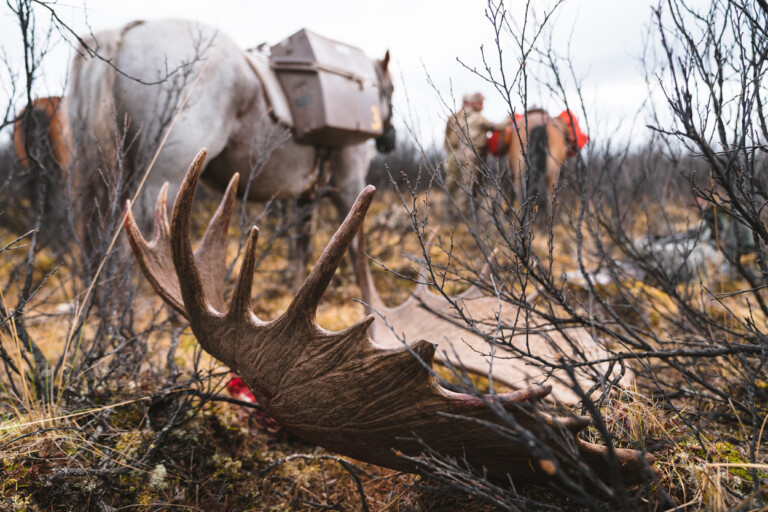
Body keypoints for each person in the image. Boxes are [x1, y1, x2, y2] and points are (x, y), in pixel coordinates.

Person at [443, 92, 506, 201]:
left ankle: (462, 209)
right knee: (462, 182)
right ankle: (459, 210)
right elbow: (496, 126)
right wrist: (509, 119)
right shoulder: (463, 117)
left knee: (471, 182)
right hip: (462, 153)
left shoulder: (466, 117)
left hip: (467, 153)